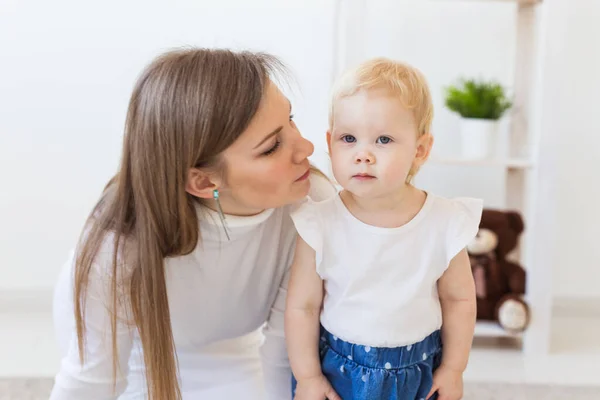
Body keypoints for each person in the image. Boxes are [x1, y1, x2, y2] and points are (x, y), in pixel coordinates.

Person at [49, 48, 336, 400]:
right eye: (272, 147)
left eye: (291, 119)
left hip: (231, 344)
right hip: (136, 349)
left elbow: (282, 352)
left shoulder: (310, 205)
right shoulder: (117, 250)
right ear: (203, 183)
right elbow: (90, 384)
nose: (306, 146)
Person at [285, 58, 483, 400]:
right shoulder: (320, 223)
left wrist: (453, 368)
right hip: (338, 369)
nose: (363, 154)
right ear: (330, 143)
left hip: (417, 368)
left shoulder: (444, 222)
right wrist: (308, 377)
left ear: (419, 150)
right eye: (349, 138)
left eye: (383, 140)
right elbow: (302, 307)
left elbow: (459, 299)